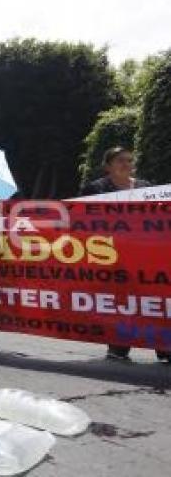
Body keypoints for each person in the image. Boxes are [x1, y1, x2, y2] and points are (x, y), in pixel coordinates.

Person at [80, 147, 169, 363]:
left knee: (154, 299)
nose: (126, 164)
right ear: (107, 166)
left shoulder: (145, 187)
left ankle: (164, 346)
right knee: (121, 302)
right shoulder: (96, 189)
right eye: (120, 160)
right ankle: (119, 345)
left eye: (129, 160)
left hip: (144, 255)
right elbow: (80, 219)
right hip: (111, 255)